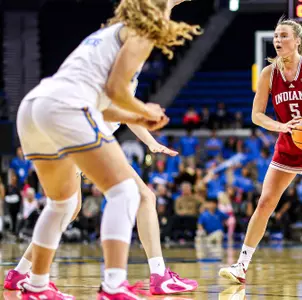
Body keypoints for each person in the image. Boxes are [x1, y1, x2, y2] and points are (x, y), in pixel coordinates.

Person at [13, 0, 201, 298]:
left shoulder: (110, 33)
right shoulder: (141, 33)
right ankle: (114, 285)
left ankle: (33, 284)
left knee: (62, 205)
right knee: (127, 193)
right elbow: (115, 92)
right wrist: (146, 109)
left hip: (35, 107)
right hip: (67, 109)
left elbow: (106, 105)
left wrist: (138, 118)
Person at [219, 17, 302, 287]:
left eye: (283, 35)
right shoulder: (268, 74)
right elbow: (257, 115)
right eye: (276, 36)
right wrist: (280, 126)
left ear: (297, 41)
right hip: (289, 143)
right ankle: (241, 266)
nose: (278, 40)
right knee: (265, 202)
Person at [4, 112, 198, 296]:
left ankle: (20, 273)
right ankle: (155, 275)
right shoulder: (116, 80)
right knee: (144, 197)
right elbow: (123, 109)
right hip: (84, 142)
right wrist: (146, 116)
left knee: (67, 210)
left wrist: (150, 141)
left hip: (65, 141)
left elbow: (125, 114)